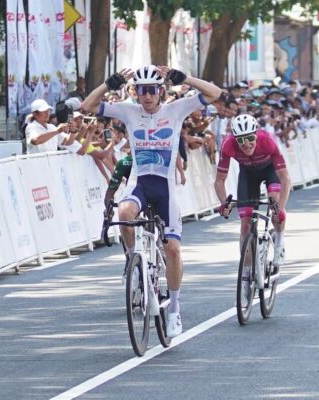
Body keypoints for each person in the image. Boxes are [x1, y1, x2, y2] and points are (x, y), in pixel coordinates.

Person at [81, 64, 221, 338]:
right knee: (125, 210)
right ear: (135, 91)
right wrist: (109, 84)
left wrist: (185, 78)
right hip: (140, 183)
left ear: (161, 91)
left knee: (174, 251)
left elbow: (215, 93)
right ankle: (134, 262)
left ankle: (175, 310)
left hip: (165, 187)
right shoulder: (128, 110)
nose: (147, 97)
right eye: (142, 91)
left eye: (152, 91)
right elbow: (88, 106)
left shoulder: (176, 109)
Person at [213, 114, 291, 274]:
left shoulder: (268, 140)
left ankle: (279, 241)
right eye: (241, 140)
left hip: (270, 170)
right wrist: (223, 204)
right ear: (235, 139)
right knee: (245, 225)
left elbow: (285, 179)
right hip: (248, 174)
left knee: (274, 201)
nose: (246, 144)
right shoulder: (228, 144)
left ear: (256, 134)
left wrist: (280, 209)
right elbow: (219, 180)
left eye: (249, 138)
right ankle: (247, 272)